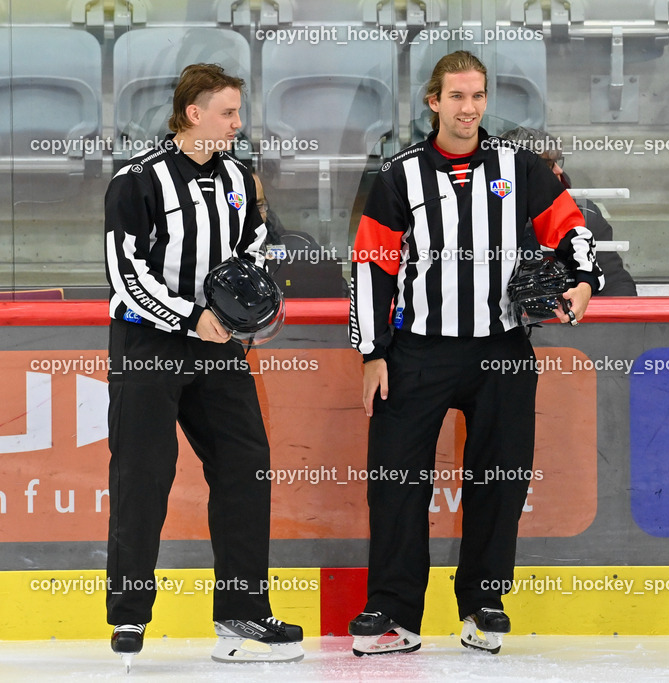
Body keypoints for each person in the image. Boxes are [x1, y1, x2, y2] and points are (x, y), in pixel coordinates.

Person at [347, 50, 602, 656]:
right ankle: (393, 609)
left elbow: (572, 229)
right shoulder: (398, 175)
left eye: (478, 96)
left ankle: (484, 602)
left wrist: (584, 278)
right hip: (417, 353)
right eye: (457, 97)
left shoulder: (522, 168)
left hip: (503, 349)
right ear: (433, 102)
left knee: (499, 480)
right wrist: (371, 352)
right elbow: (370, 267)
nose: (469, 108)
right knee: (396, 482)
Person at [104, 63, 302, 669]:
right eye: (228, 113)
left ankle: (242, 609)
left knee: (246, 465)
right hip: (149, 345)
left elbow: (252, 252)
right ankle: (131, 612)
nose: (239, 124)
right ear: (194, 114)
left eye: (239, 113)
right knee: (144, 474)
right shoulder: (137, 181)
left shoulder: (240, 179)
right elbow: (124, 274)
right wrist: (190, 318)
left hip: (218, 347)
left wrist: (250, 315)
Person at [500, 126, 637, 296]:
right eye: (547, 164)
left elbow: (616, 284)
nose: (559, 170)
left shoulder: (582, 215)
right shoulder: (483, 215)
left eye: (558, 161)